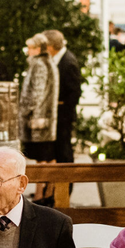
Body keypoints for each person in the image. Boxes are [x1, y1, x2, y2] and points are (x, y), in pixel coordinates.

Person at [19, 33, 59, 205]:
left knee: (42, 157)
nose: (28, 51)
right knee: (47, 155)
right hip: (46, 118)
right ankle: (46, 192)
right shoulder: (49, 63)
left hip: (39, 118)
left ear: (37, 49)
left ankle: (40, 194)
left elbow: (37, 93)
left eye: (30, 47)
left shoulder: (39, 64)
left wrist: (25, 110)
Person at [43, 30, 82, 164]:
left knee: (64, 151)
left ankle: (66, 183)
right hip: (58, 115)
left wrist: (61, 107)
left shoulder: (68, 62)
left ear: (50, 46)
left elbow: (75, 92)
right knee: (58, 150)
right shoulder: (58, 59)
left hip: (63, 116)